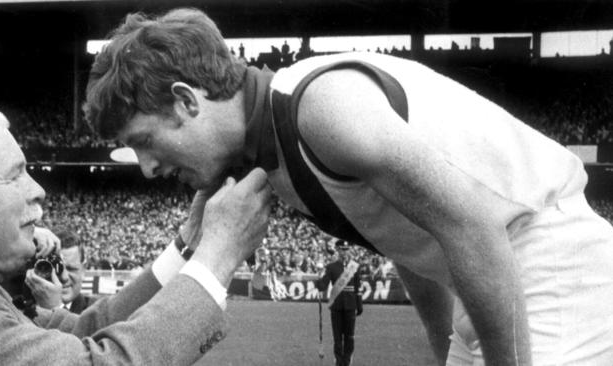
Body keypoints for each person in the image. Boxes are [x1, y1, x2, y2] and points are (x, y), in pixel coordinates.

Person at [83, 8, 613, 366]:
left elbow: (475, 225)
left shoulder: (318, 109)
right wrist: (443, 348)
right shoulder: (266, 147)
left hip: (547, 261)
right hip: (492, 277)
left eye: (145, 140)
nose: (148, 167)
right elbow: (408, 238)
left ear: (186, 101)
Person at [0, 101, 272, 365]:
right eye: (14, 175)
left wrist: (190, 242)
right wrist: (217, 256)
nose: (38, 190)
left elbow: (91, 327)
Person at [25, 230, 99, 314]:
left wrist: (54, 308)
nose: (64, 277)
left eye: (71, 269)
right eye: (57, 268)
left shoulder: (97, 312)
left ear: (83, 270)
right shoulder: (19, 307)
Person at [317, 240, 363, 366]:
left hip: (350, 305)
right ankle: (338, 361)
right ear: (337, 250)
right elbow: (323, 285)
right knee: (337, 338)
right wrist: (318, 279)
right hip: (336, 306)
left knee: (349, 337)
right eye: (342, 249)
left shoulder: (355, 267)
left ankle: (347, 362)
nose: (345, 252)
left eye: (346, 249)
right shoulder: (331, 267)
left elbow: (358, 288)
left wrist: (359, 305)